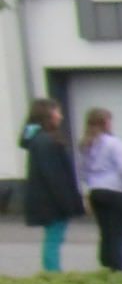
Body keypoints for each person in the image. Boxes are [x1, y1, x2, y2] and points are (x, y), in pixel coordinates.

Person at [20, 98, 84, 272]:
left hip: (46, 198)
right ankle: (52, 274)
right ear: (48, 115)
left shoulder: (37, 138)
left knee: (53, 239)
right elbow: (54, 176)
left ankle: (51, 273)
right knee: (53, 240)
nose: (60, 116)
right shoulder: (47, 142)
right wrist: (67, 204)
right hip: (52, 201)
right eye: (57, 112)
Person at [76, 106, 122, 272]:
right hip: (115, 191)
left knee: (105, 232)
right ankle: (118, 268)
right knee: (118, 233)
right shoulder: (114, 143)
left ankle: (105, 267)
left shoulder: (85, 144)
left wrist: (90, 185)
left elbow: (82, 171)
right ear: (106, 123)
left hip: (96, 191)